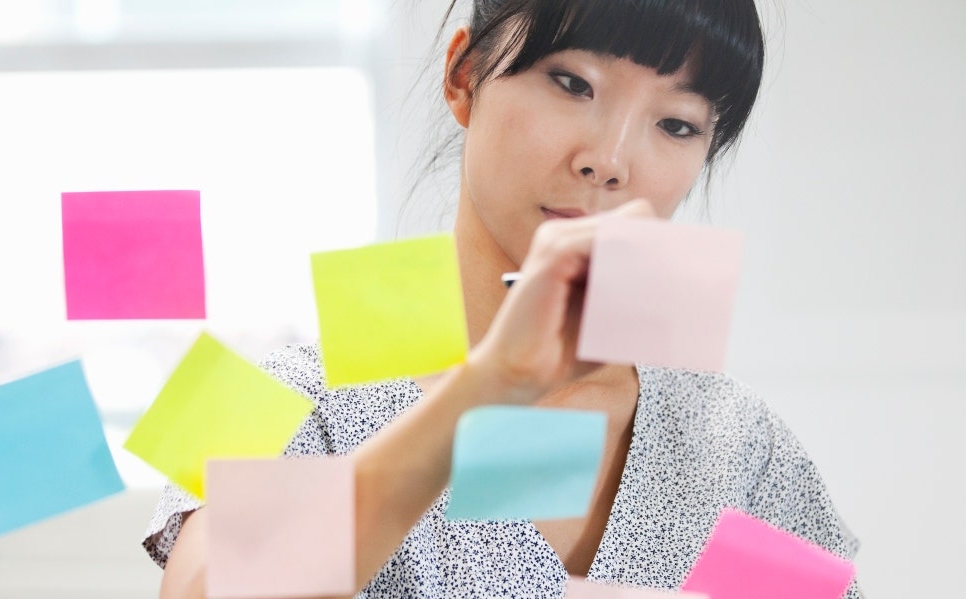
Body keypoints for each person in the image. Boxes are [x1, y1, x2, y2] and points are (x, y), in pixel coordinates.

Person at [145, 0, 862, 597]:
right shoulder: (254, 384)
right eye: (573, 83)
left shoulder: (740, 443)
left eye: (676, 124)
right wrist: (490, 387)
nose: (608, 161)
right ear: (463, 75)